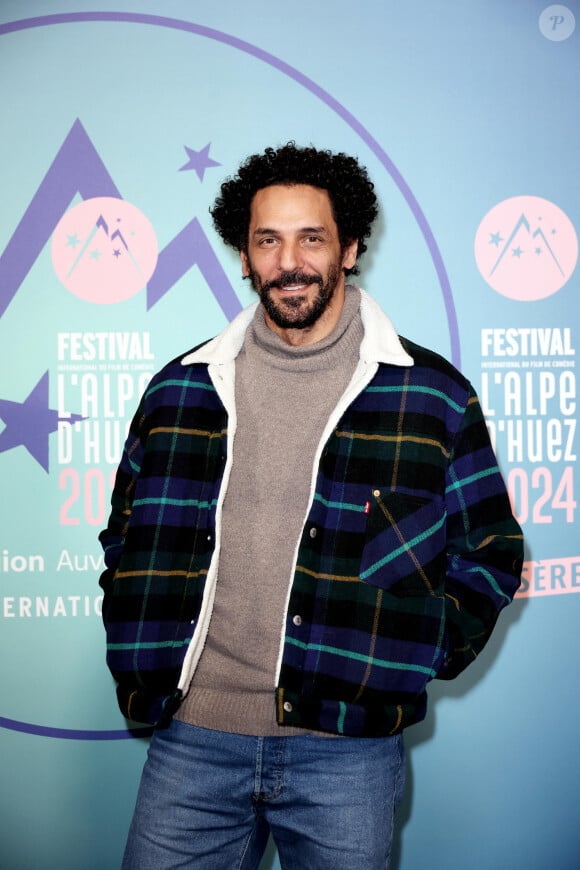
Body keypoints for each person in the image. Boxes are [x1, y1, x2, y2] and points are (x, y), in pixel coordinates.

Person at [99, 143, 523, 869]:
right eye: (268, 239)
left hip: (347, 757)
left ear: (350, 248)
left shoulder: (432, 396)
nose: (288, 260)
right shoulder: (180, 389)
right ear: (244, 256)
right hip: (191, 741)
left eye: (311, 238)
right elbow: (125, 535)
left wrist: (418, 652)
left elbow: (489, 555)